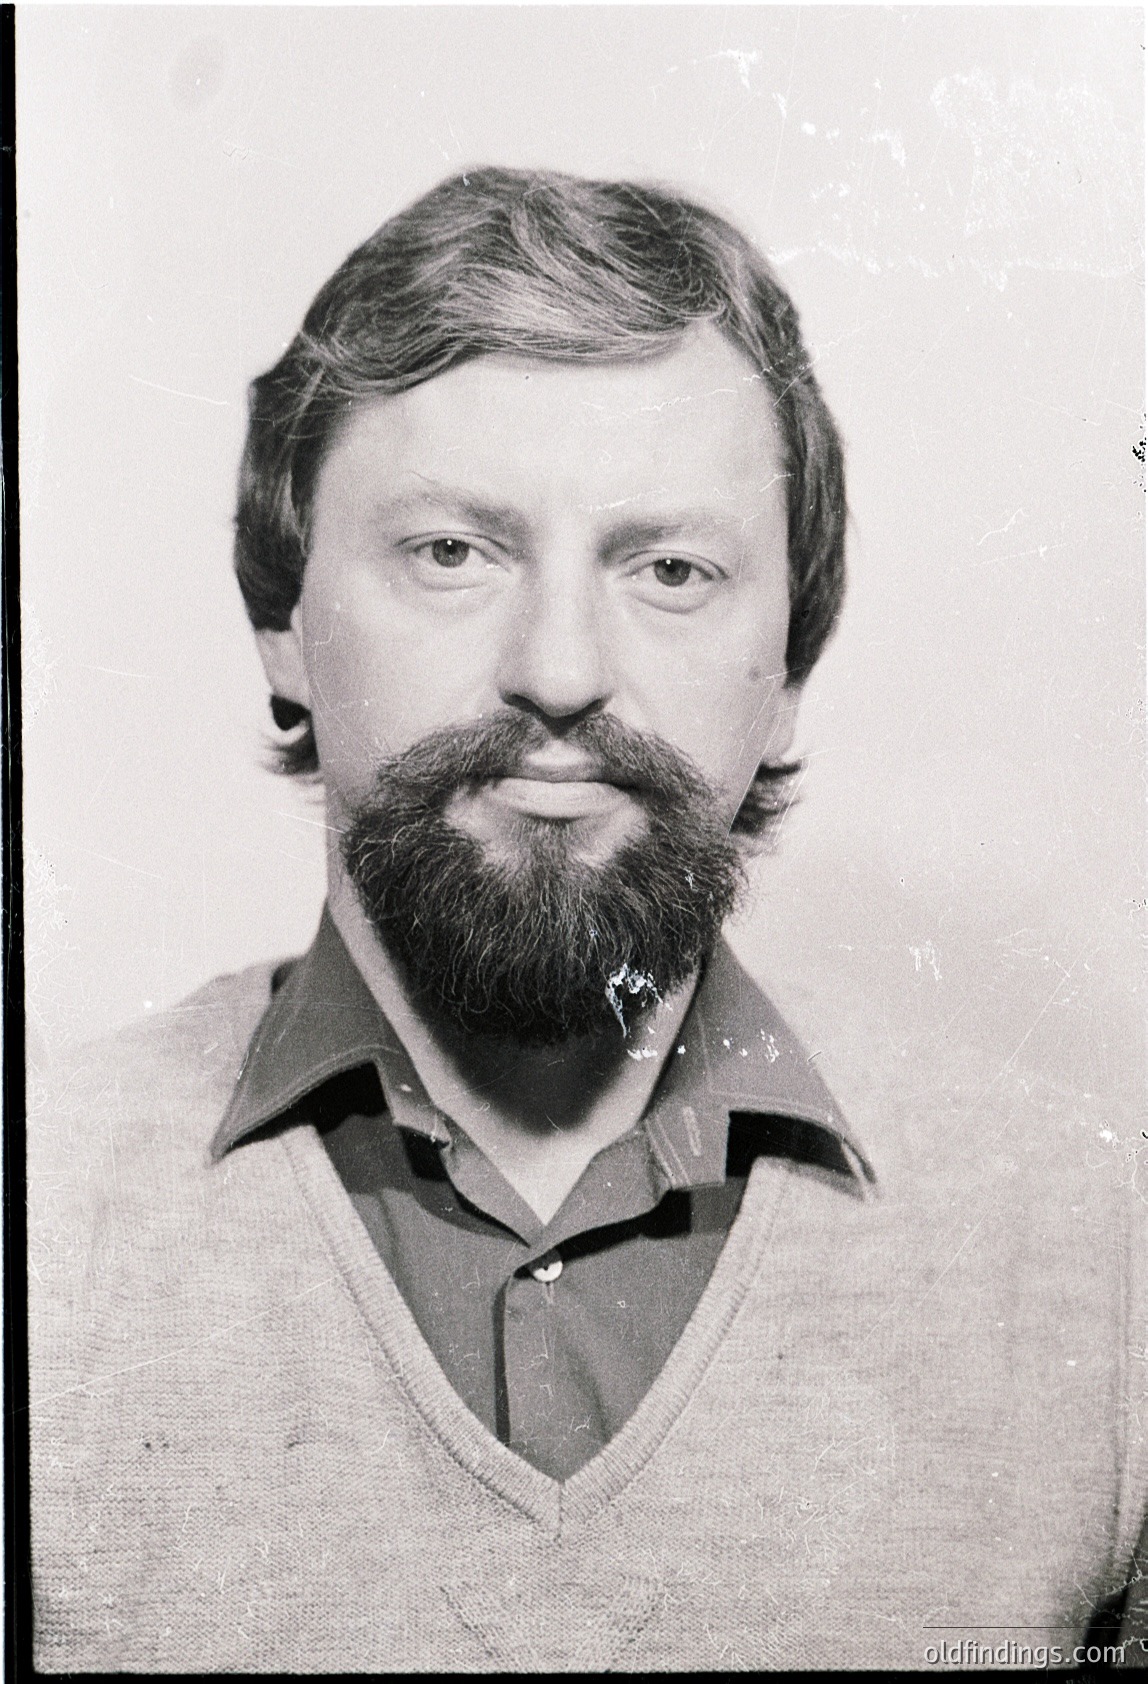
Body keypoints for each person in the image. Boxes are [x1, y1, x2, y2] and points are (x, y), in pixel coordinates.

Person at [28, 167, 1143, 1672]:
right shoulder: (47, 1221)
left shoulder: (1099, 1260)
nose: (559, 671)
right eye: (452, 552)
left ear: (789, 668)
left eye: (671, 569)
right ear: (282, 623)